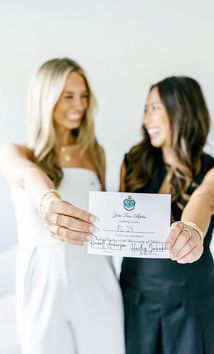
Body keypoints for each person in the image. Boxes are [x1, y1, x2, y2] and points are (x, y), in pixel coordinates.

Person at [0, 57, 125, 354]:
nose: (79, 105)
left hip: (95, 272)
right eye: (68, 96)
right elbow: (30, 176)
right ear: (45, 98)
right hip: (42, 277)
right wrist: (49, 200)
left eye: (84, 96)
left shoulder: (96, 154)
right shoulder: (17, 152)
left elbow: (106, 217)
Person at [119, 76, 214, 354]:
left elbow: (204, 199)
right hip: (136, 299)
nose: (147, 118)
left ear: (181, 110)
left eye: (155, 108)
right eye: (146, 109)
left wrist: (191, 230)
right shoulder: (133, 164)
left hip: (192, 305)